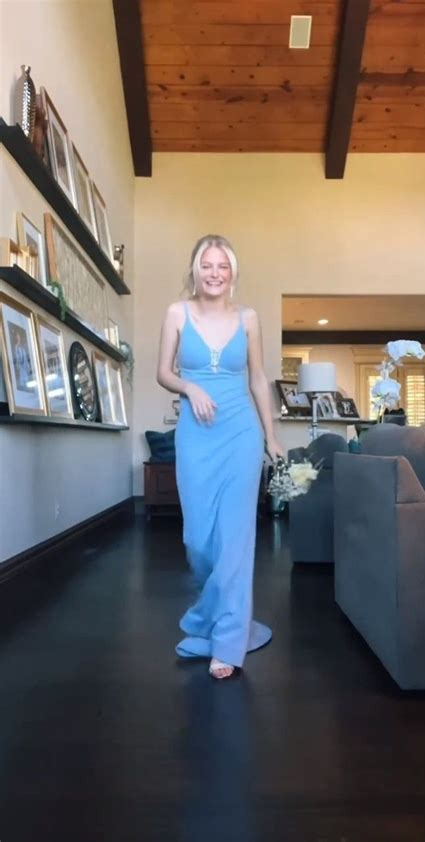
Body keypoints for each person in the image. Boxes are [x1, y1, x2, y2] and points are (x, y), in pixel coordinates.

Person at [156, 234, 284, 679]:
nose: (214, 274)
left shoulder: (248, 318)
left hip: (241, 435)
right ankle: (207, 619)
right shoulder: (177, 313)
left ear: (232, 273)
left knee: (235, 539)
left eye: (222, 266)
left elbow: (259, 378)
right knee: (198, 538)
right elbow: (163, 372)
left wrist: (271, 437)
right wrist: (190, 387)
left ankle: (228, 642)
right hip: (196, 435)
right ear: (195, 270)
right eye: (207, 265)